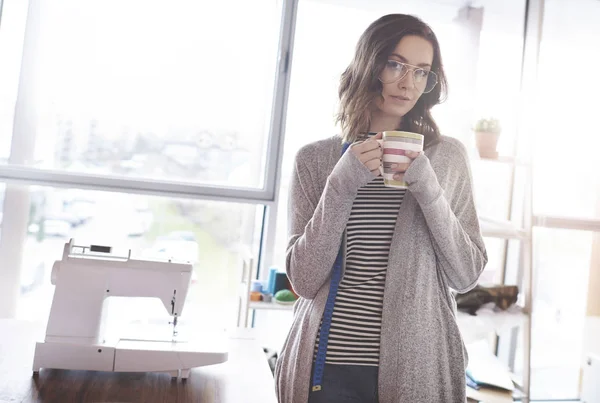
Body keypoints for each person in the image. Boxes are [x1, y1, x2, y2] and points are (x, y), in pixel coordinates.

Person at [274, 13, 488, 403]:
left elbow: (467, 274)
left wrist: (428, 188)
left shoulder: (447, 158)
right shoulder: (316, 160)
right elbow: (303, 280)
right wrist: (342, 184)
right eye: (395, 64)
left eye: (422, 72)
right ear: (369, 65)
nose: (408, 83)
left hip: (415, 371)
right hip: (325, 369)